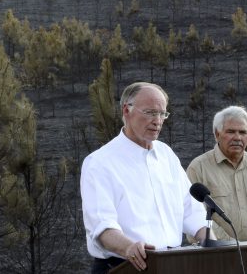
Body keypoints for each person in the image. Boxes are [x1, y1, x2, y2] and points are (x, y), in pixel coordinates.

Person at [81, 82, 211, 273]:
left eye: (162, 114)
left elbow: (191, 211)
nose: (158, 120)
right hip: (125, 266)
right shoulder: (99, 163)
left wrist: (210, 240)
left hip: (172, 264)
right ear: (127, 110)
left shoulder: (166, 155)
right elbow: (102, 226)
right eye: (150, 112)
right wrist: (128, 247)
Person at [186, 106, 247, 242]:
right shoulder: (198, 168)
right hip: (217, 255)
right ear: (217, 134)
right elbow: (194, 215)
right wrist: (231, 246)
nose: (237, 137)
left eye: (243, 132)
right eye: (231, 132)